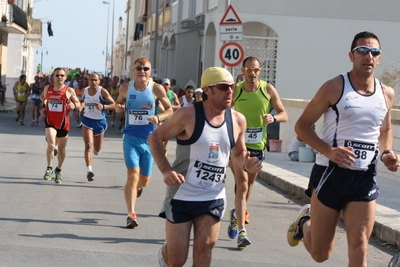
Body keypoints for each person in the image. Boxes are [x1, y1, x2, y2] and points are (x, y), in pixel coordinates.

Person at [287, 31, 400, 266]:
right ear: (351, 55)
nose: (368, 56)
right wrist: (328, 151)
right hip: (330, 174)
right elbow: (302, 126)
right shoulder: (335, 87)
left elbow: (385, 131)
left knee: (359, 247)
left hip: (364, 177)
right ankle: (304, 223)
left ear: (379, 59)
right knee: (321, 253)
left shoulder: (386, 93)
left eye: (374, 52)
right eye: (362, 51)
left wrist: (387, 153)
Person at [148, 67, 262, 267]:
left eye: (232, 87)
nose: (229, 91)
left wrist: (248, 163)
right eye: (223, 87)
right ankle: (167, 251)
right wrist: (166, 170)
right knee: (177, 260)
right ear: (208, 90)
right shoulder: (187, 115)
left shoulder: (237, 120)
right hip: (181, 194)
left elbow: (239, 153)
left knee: (203, 254)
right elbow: (155, 137)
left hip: (213, 197)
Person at [227, 56, 288, 247]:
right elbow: (223, 111)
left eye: (255, 70)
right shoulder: (236, 90)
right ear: (242, 71)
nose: (252, 74)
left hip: (258, 147)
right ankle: (242, 232)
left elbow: (284, 114)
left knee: (249, 186)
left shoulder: (267, 89)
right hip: (237, 146)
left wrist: (273, 117)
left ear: (260, 71)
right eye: (248, 70)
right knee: (242, 184)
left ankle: (237, 212)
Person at [114, 57, 173, 228]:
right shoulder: (126, 87)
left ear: (150, 71)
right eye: (139, 68)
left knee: (144, 180)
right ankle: (131, 214)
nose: (142, 72)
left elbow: (169, 110)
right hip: (130, 138)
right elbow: (118, 104)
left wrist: (158, 117)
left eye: (146, 69)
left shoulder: (156, 89)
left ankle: (139, 187)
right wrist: (119, 108)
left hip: (150, 140)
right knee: (132, 174)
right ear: (133, 71)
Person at [40, 67, 81, 184]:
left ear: (65, 77)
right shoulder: (48, 88)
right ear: (53, 77)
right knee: (51, 144)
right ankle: (49, 168)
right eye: (57, 75)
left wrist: (74, 105)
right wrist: (43, 108)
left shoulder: (69, 90)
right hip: (50, 121)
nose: (59, 77)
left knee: (62, 150)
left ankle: (59, 169)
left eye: (62, 75)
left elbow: (78, 104)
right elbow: (43, 98)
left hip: (63, 123)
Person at [77, 73, 115, 181]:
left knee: (97, 149)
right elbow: (83, 102)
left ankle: (96, 150)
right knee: (88, 145)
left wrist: (104, 106)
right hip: (87, 120)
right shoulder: (85, 90)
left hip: (99, 122)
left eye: (95, 80)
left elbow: (114, 104)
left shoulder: (102, 91)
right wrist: (80, 107)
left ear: (99, 81)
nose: (93, 82)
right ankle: (89, 170)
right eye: (91, 80)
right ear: (88, 81)